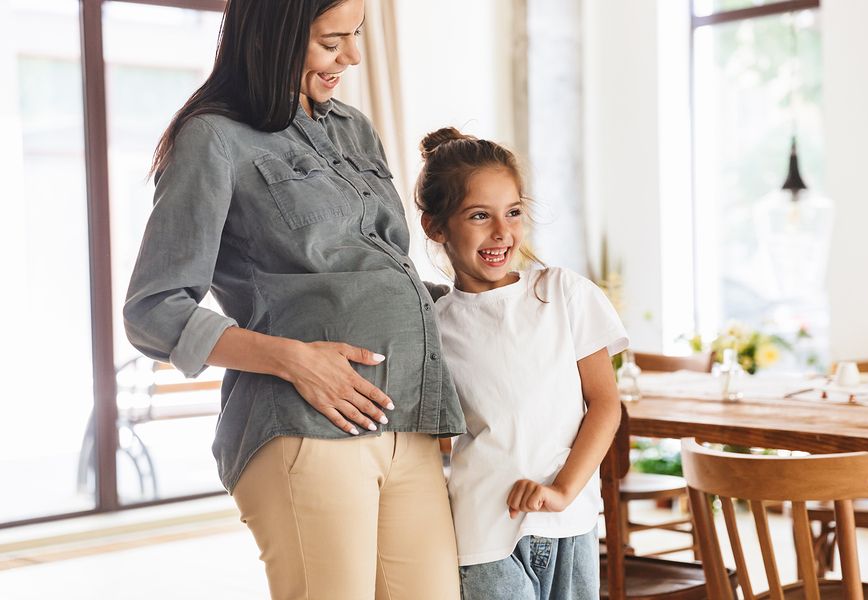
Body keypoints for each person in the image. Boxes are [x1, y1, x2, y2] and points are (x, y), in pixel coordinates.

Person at [123, 1, 465, 598]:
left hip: (408, 422)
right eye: (332, 42)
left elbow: (382, 274)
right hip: (306, 427)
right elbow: (154, 311)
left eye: (355, 37)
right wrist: (295, 360)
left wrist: (515, 307)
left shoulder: (353, 129)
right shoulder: (213, 138)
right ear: (276, 35)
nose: (352, 57)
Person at [416, 127, 628, 600]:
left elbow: (604, 404)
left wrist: (563, 490)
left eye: (513, 212)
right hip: (484, 533)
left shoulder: (563, 293)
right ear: (436, 227)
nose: (501, 232)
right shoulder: (434, 324)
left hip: (569, 520)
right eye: (478, 215)